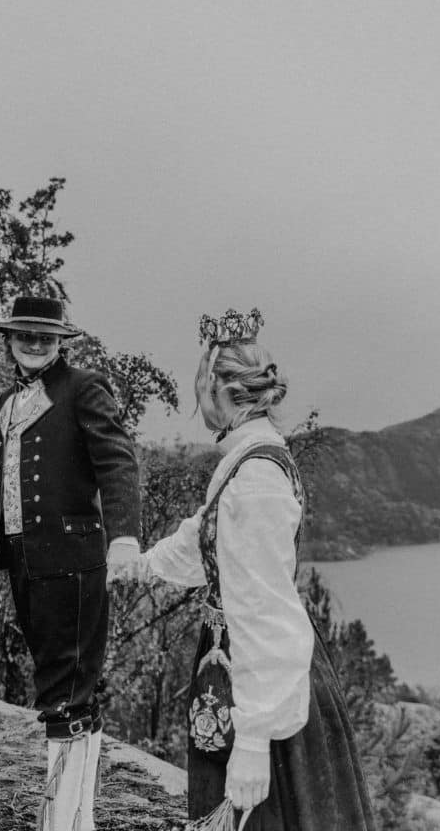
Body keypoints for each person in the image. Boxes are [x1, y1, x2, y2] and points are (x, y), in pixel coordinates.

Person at [140, 308, 376, 830]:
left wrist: (252, 741)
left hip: (262, 683)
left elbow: (265, 609)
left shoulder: (255, 479)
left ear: (222, 392)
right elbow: (201, 538)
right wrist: (138, 567)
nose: (197, 399)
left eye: (201, 385)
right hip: (241, 667)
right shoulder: (251, 459)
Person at [0, 295, 140, 831]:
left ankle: (60, 824)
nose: (35, 342)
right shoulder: (7, 401)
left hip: (73, 565)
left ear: (61, 341)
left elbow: (118, 462)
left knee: (64, 697)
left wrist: (125, 539)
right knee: (73, 695)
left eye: (46, 335)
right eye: (25, 333)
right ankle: (79, 820)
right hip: (27, 566)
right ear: (10, 337)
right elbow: (2, 490)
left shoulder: (84, 388)